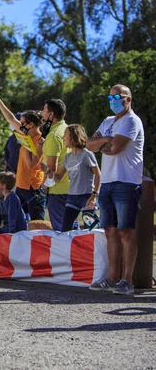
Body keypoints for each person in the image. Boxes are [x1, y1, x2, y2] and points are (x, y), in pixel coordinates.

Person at [86, 84, 144, 295]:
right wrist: (105, 140)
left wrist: (103, 143)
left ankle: (127, 280)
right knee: (110, 231)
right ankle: (112, 278)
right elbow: (89, 144)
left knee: (126, 232)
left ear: (128, 99)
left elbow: (115, 148)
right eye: (110, 97)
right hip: (108, 183)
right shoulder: (108, 121)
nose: (113, 101)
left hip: (126, 182)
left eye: (117, 97)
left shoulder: (131, 121)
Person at [0, 90, 46, 221]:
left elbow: (31, 164)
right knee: (17, 220)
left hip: (34, 188)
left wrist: (26, 144)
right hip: (21, 185)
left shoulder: (40, 141)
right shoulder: (24, 132)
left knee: (36, 223)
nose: (19, 125)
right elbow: (10, 118)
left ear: (31, 125)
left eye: (22, 123)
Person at [41, 124, 101, 232]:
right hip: (72, 197)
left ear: (74, 136)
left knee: (91, 230)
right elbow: (58, 178)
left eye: (66, 134)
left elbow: (98, 174)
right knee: (65, 230)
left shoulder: (87, 154)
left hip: (86, 196)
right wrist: (48, 172)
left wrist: (94, 195)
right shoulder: (68, 157)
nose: (64, 137)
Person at [41, 98, 70, 231]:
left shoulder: (53, 135)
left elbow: (52, 168)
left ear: (51, 114)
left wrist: (43, 188)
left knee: (62, 232)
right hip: (70, 188)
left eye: (44, 110)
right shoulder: (66, 129)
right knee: (71, 230)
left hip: (57, 191)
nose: (42, 113)